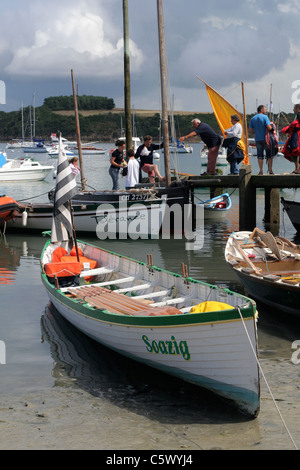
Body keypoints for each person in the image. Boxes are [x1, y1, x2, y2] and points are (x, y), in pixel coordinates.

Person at [249, 105, 273, 174]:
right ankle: (270, 170)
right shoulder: (265, 117)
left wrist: (256, 131)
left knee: (260, 156)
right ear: (261, 110)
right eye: (265, 109)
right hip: (266, 139)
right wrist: (272, 127)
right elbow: (269, 128)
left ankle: (261, 170)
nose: (266, 110)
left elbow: (250, 131)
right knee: (269, 155)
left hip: (257, 139)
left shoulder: (253, 118)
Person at [281, 106, 300, 174]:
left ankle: (297, 169)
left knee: (295, 151)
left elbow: (292, 126)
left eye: (294, 108)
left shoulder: (297, 119)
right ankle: (298, 169)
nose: (293, 110)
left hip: (297, 137)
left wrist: (285, 130)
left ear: (297, 108)